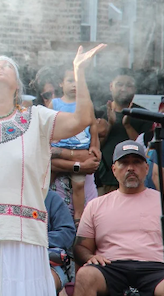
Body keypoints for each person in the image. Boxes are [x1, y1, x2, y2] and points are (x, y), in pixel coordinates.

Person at [0, 44, 105, 296]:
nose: (0, 67)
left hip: (23, 234)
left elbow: (82, 120)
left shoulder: (38, 118)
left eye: (7, 65)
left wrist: (79, 71)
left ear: (17, 85)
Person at [73, 140, 164, 296]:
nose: (131, 168)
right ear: (114, 169)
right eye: (124, 163)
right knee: (85, 276)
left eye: (137, 162)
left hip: (157, 270)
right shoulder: (96, 205)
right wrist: (90, 257)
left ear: (146, 168)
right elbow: (81, 247)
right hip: (110, 267)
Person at [50, 65, 100, 221]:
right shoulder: (55, 104)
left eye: (77, 81)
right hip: (59, 148)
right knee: (48, 179)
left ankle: (78, 217)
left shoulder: (86, 104)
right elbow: (47, 127)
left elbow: (93, 127)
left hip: (81, 150)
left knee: (79, 184)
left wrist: (94, 146)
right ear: (61, 83)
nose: (74, 85)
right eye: (70, 81)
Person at [94, 72, 149, 194]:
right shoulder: (98, 113)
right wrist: (110, 125)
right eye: (119, 84)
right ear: (111, 86)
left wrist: (127, 125)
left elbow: (146, 152)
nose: (123, 89)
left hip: (135, 180)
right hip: (103, 181)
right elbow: (94, 148)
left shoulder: (144, 115)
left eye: (128, 85)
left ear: (135, 89)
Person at [45, 190, 76, 295]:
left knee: (45, 283)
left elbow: (67, 232)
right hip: (6, 261)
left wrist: (37, 240)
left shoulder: (50, 197)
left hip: (47, 263)